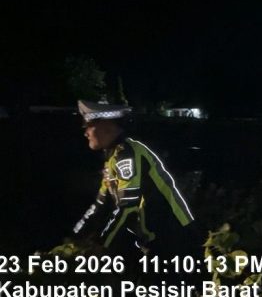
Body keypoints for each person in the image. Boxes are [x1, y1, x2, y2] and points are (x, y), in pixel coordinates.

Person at [73, 99, 196, 259]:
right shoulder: (112, 159)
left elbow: (128, 207)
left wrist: (101, 244)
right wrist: (77, 233)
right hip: (154, 239)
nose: (85, 132)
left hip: (173, 236)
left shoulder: (128, 153)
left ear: (107, 126)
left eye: (87, 125)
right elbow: (100, 204)